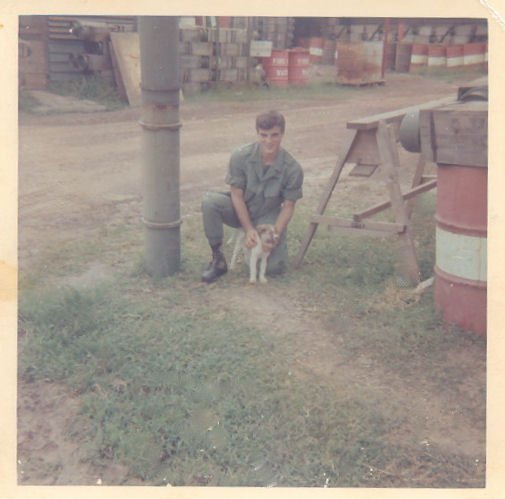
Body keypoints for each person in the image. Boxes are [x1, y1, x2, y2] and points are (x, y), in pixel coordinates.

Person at [201, 110, 304, 283]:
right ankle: (217, 259)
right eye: (263, 135)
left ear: (282, 134)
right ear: (257, 133)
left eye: (274, 135)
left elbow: (288, 207)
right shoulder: (240, 156)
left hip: (267, 216)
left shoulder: (292, 168)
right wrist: (249, 229)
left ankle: (255, 251)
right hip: (240, 208)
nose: (269, 141)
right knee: (210, 202)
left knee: (273, 268)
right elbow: (236, 195)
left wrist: (274, 236)